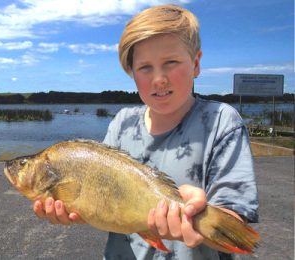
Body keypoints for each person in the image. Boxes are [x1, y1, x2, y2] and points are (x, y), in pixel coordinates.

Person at [33, 4, 259, 260]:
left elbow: (233, 222)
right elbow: (106, 205)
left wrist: (196, 218)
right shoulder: (122, 122)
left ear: (196, 64)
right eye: (145, 67)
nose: (159, 78)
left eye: (170, 62)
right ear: (131, 72)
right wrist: (73, 209)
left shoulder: (221, 121)